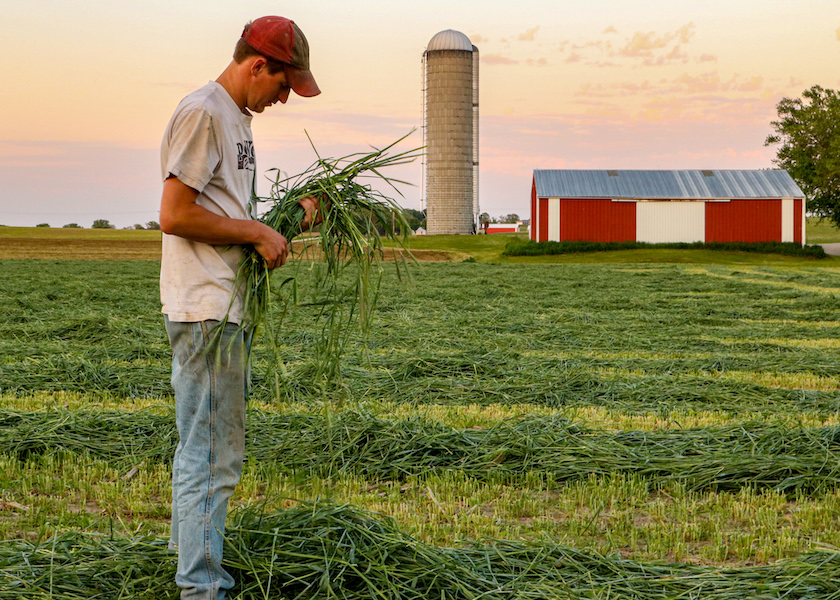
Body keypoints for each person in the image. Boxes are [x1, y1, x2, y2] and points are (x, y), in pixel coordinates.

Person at [158, 16, 321, 600]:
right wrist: (255, 231)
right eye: (282, 85)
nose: (283, 98)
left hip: (225, 306)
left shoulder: (236, 120)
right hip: (206, 309)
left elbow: (230, 215)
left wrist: (287, 219)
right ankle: (201, 587)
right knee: (211, 455)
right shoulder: (205, 113)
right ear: (258, 65)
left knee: (207, 448)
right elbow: (176, 214)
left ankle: (188, 561)